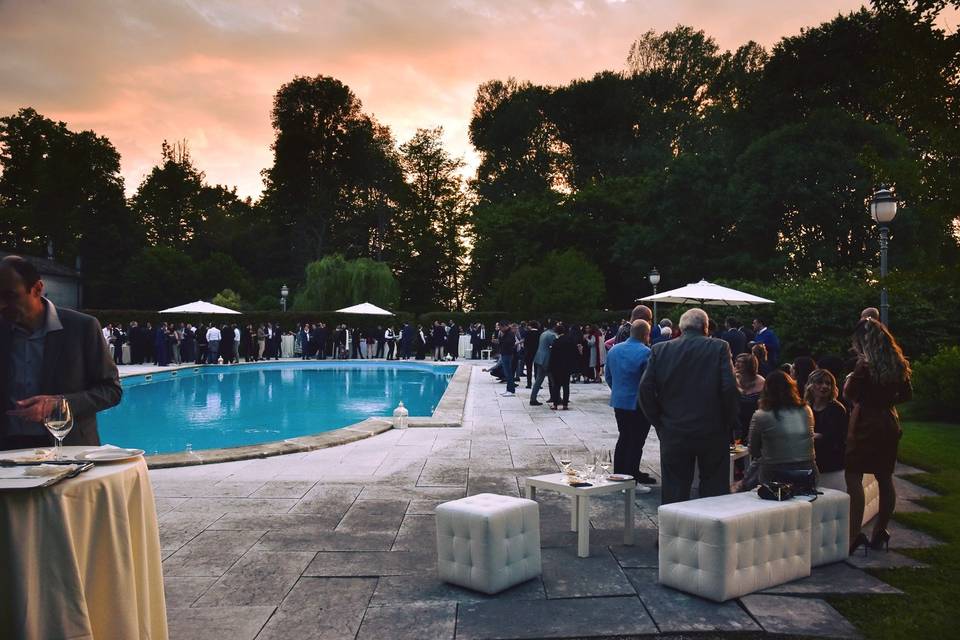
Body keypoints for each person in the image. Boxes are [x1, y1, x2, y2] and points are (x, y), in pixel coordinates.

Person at [0, 255, 121, 449]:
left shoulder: (82, 327)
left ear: (37, 289)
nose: (1, 305)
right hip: (7, 451)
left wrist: (60, 404)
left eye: (10, 296)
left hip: (69, 448)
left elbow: (111, 391)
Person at [639, 308, 739, 505]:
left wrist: (659, 421)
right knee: (714, 489)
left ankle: (672, 535)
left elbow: (645, 389)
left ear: (681, 328)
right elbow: (729, 388)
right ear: (705, 327)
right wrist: (728, 421)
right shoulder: (719, 347)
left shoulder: (661, 350)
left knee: (674, 489)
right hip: (712, 430)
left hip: (673, 429)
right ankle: (711, 534)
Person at [844, 318, 912, 553]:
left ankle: (854, 534)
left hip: (865, 423)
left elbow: (851, 394)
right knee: (885, 477)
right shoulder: (898, 363)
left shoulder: (864, 366)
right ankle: (880, 530)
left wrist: (855, 380)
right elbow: (906, 395)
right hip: (889, 421)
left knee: (853, 474)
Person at [605, 320, 656, 490]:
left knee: (624, 437)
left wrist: (618, 391)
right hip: (637, 404)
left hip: (619, 401)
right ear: (645, 335)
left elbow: (608, 376)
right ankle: (631, 480)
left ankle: (619, 475)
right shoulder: (646, 352)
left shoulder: (614, 350)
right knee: (636, 442)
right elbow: (648, 382)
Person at [747, 370, 817, 486]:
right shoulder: (806, 410)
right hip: (807, 470)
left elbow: (753, 450)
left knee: (755, 469)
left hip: (775, 473)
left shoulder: (761, 415)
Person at [804, 369, 847, 475]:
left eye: (828, 383)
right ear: (810, 385)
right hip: (810, 461)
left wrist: (817, 436)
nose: (824, 386)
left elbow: (838, 436)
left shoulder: (836, 408)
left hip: (832, 463)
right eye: (819, 382)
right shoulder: (806, 407)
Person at [734, 353, 765, 442]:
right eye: (736, 361)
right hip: (738, 422)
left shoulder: (761, 381)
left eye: (740, 362)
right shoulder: (733, 379)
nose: (736, 364)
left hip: (754, 421)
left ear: (749, 365)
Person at [547, 323, 578, 409]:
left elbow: (553, 356)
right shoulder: (570, 341)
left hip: (557, 367)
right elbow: (574, 353)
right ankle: (565, 404)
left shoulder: (556, 342)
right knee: (566, 386)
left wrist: (550, 367)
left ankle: (555, 404)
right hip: (567, 367)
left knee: (556, 386)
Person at [530, 322, 557, 406]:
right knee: (554, 380)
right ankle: (557, 397)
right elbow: (555, 346)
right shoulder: (552, 335)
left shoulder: (543, 333)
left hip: (539, 357)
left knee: (538, 380)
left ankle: (533, 398)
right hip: (546, 359)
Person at [498, 323, 517, 396]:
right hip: (505, 354)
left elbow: (509, 343)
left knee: (508, 373)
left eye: (501, 328)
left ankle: (511, 390)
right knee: (507, 373)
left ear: (505, 326)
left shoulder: (510, 333)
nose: (500, 330)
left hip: (507, 354)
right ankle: (509, 389)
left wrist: (500, 340)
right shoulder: (507, 333)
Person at [523, 321, 541, 389]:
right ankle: (537, 384)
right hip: (537, 352)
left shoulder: (528, 333)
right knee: (537, 369)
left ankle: (529, 384)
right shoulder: (540, 333)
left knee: (529, 369)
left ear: (531, 326)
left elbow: (525, 344)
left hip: (529, 352)